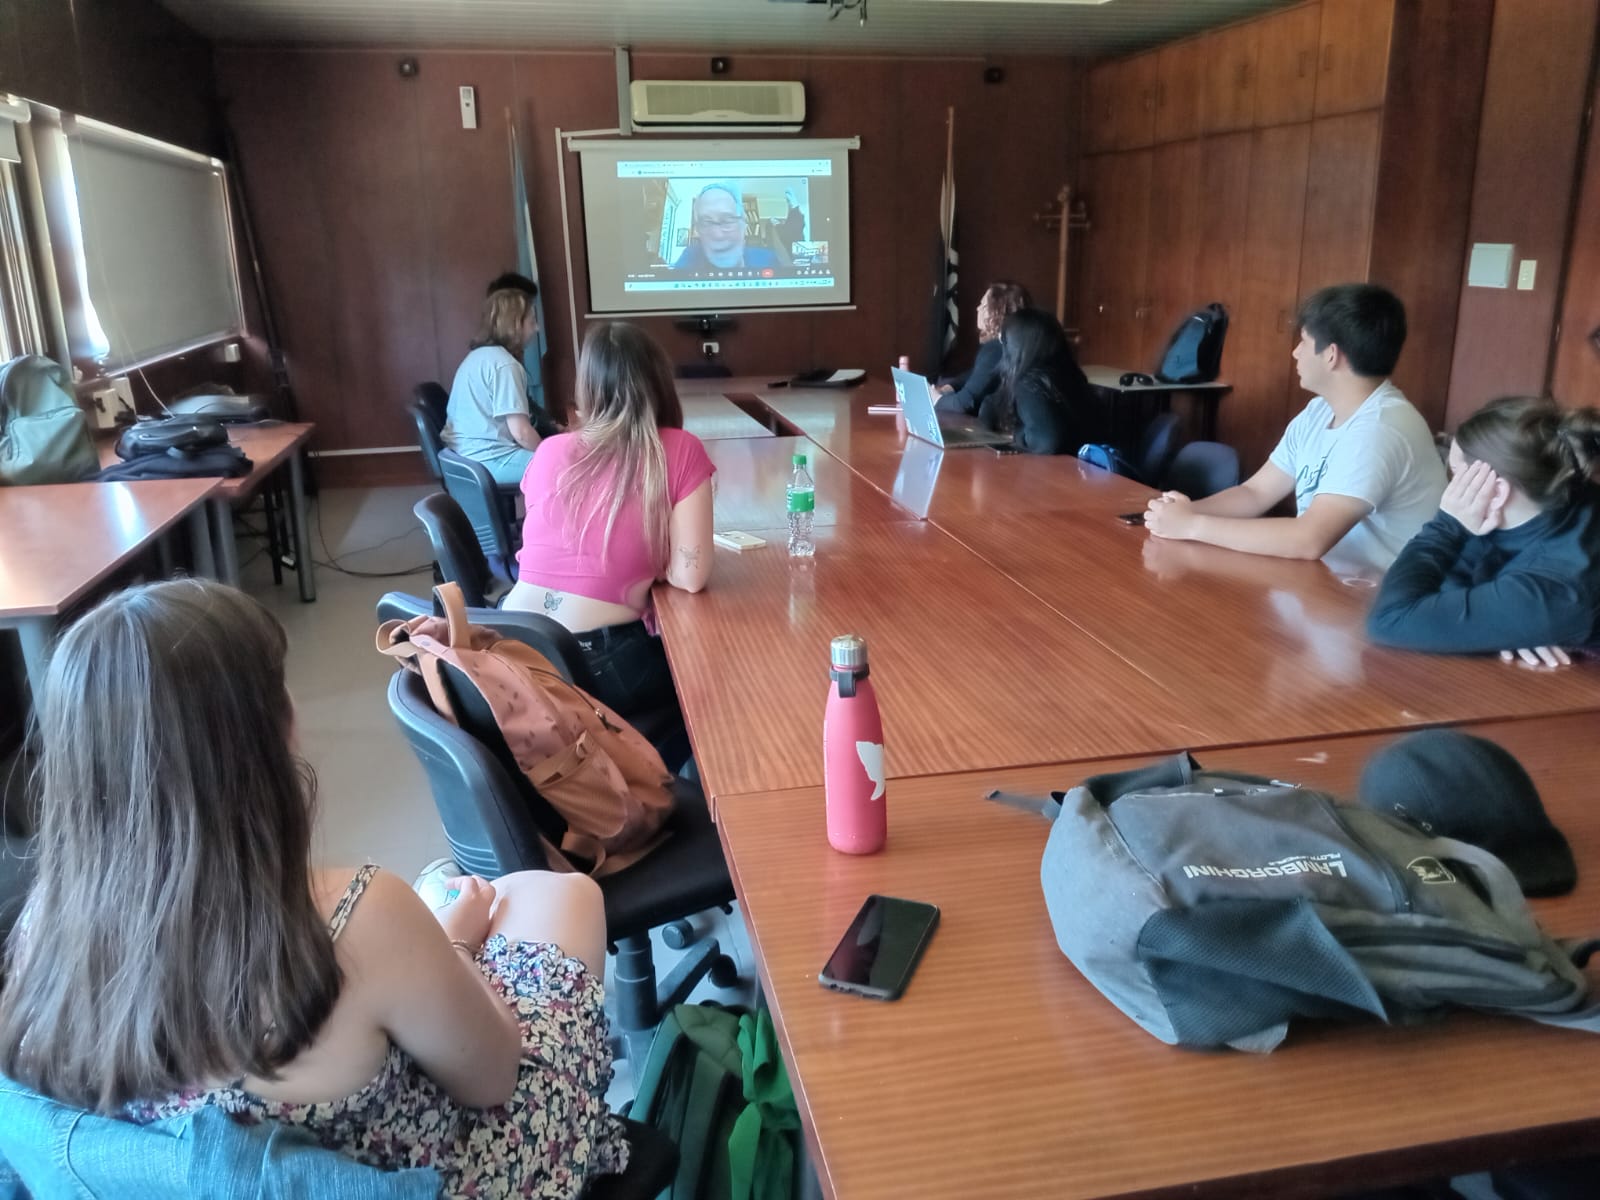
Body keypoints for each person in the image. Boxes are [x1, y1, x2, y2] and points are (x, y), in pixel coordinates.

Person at [0, 579, 628, 1198]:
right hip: (420, 1180)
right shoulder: (357, 916)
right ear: (271, 731)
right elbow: (493, 1079)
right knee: (564, 897)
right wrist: (455, 946)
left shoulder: (42, 933)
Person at [1145, 283, 1444, 572]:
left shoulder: (1379, 429)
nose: (1296, 353)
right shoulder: (1319, 411)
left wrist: (1192, 526)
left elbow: (1308, 539)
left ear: (1331, 355)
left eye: (1303, 342)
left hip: (1374, 597)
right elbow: (1255, 493)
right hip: (1325, 581)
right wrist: (1185, 511)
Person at [505, 322, 714, 719]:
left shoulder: (549, 450)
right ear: (659, 381)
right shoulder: (680, 448)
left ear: (587, 388)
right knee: (712, 676)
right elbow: (691, 577)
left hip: (515, 649)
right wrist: (655, 561)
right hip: (595, 663)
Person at [1367, 395, 1600, 665]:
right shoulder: (1556, 490)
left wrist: (1447, 525)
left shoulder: (1555, 591)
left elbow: (1390, 619)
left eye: (1456, 473)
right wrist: (1507, 625)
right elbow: (1442, 584)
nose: (1451, 487)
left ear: (1498, 491)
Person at [441, 286, 543, 485]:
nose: (537, 328)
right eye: (532, 322)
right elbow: (521, 433)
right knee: (565, 468)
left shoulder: (478, 356)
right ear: (515, 325)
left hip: (462, 457)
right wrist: (549, 454)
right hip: (486, 461)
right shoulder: (505, 364)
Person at [978, 306, 1093, 455]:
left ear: (1015, 347)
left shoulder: (1029, 383)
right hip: (1085, 464)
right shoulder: (1068, 374)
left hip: (1065, 466)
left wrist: (1015, 435)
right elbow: (992, 404)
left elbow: (1047, 441)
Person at [935, 281, 1031, 418]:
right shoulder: (1014, 345)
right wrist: (949, 388)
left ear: (998, 313)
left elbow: (964, 403)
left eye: (984, 306)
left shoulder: (996, 349)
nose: (977, 309)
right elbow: (975, 373)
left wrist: (934, 399)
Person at [671, 182, 777, 273]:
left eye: (727, 220)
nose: (718, 235)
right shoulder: (690, 259)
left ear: (743, 225)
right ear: (698, 230)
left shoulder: (768, 260)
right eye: (707, 223)